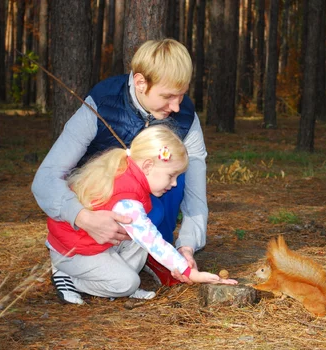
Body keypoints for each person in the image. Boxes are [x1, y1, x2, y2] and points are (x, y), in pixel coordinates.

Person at [32, 39, 212, 301]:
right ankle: (74, 264)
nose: (176, 107)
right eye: (167, 96)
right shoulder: (102, 104)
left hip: (136, 218)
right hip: (97, 209)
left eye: (181, 94)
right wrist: (82, 217)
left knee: (175, 172)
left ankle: (158, 252)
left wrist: (187, 246)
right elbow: (45, 179)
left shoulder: (186, 117)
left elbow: (196, 195)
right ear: (140, 82)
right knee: (125, 275)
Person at [46, 125, 237, 304]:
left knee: (140, 244)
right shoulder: (127, 198)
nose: (175, 184)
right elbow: (153, 240)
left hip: (96, 245)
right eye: (171, 175)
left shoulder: (129, 174)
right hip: (74, 253)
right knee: (128, 281)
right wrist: (189, 272)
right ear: (147, 167)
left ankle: (118, 284)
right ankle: (71, 277)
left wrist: (178, 263)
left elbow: (146, 238)